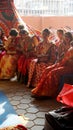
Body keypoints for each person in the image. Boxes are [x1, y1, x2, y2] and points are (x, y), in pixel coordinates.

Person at [31, 32, 73, 98]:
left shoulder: (71, 49)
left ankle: (48, 93)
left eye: (68, 37)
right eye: (66, 37)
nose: (67, 38)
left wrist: (60, 63)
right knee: (47, 70)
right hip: (62, 63)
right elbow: (60, 56)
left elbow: (65, 60)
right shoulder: (62, 45)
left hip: (69, 67)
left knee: (52, 72)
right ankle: (39, 90)